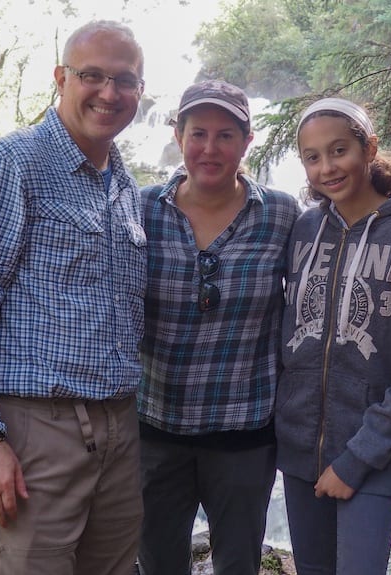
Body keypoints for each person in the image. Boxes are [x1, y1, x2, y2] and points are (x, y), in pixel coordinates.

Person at [0, 20, 147, 575]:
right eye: (92, 76)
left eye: (125, 80)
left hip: (119, 426)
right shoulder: (8, 165)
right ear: (60, 78)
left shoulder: (123, 184)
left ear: (141, 90)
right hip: (34, 433)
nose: (109, 93)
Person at [276, 97, 391, 574]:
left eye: (339, 150)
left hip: (375, 452)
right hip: (299, 449)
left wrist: (357, 459)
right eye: (312, 157)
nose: (327, 167)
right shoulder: (304, 229)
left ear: (369, 148)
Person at [136, 79, 301, 575]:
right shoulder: (140, 209)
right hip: (155, 431)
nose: (210, 148)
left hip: (245, 434)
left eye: (225, 135)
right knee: (158, 563)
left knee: (239, 565)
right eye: (198, 133)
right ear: (178, 135)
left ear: (247, 142)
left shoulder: (281, 214)